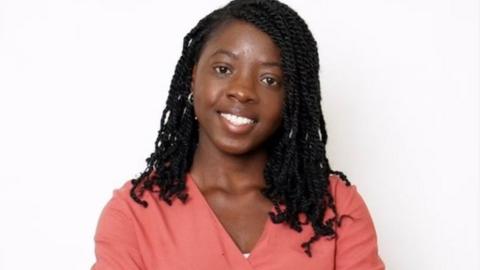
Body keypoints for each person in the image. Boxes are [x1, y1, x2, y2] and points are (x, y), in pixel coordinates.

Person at [92, 0, 385, 269]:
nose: (242, 90)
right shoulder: (134, 215)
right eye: (223, 69)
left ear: (291, 98)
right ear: (194, 76)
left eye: (269, 79)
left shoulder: (336, 207)